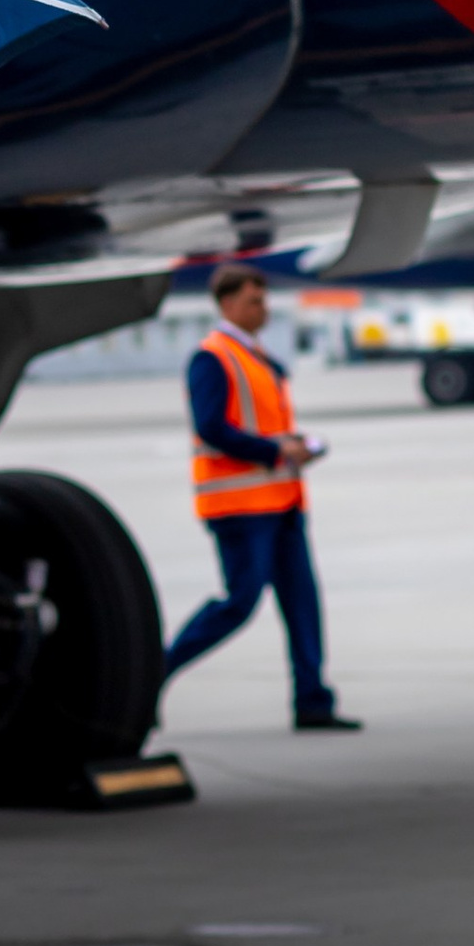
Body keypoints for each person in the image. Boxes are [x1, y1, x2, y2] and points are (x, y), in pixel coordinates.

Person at [157, 259, 360, 734]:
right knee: (238, 603)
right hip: (241, 507)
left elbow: (260, 421)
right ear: (228, 304)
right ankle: (152, 674)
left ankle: (313, 701)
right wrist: (274, 450)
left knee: (302, 603)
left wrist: (296, 445)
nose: (263, 308)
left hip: (282, 500)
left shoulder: (256, 356)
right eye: (254, 300)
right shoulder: (212, 356)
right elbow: (210, 428)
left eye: (264, 299)